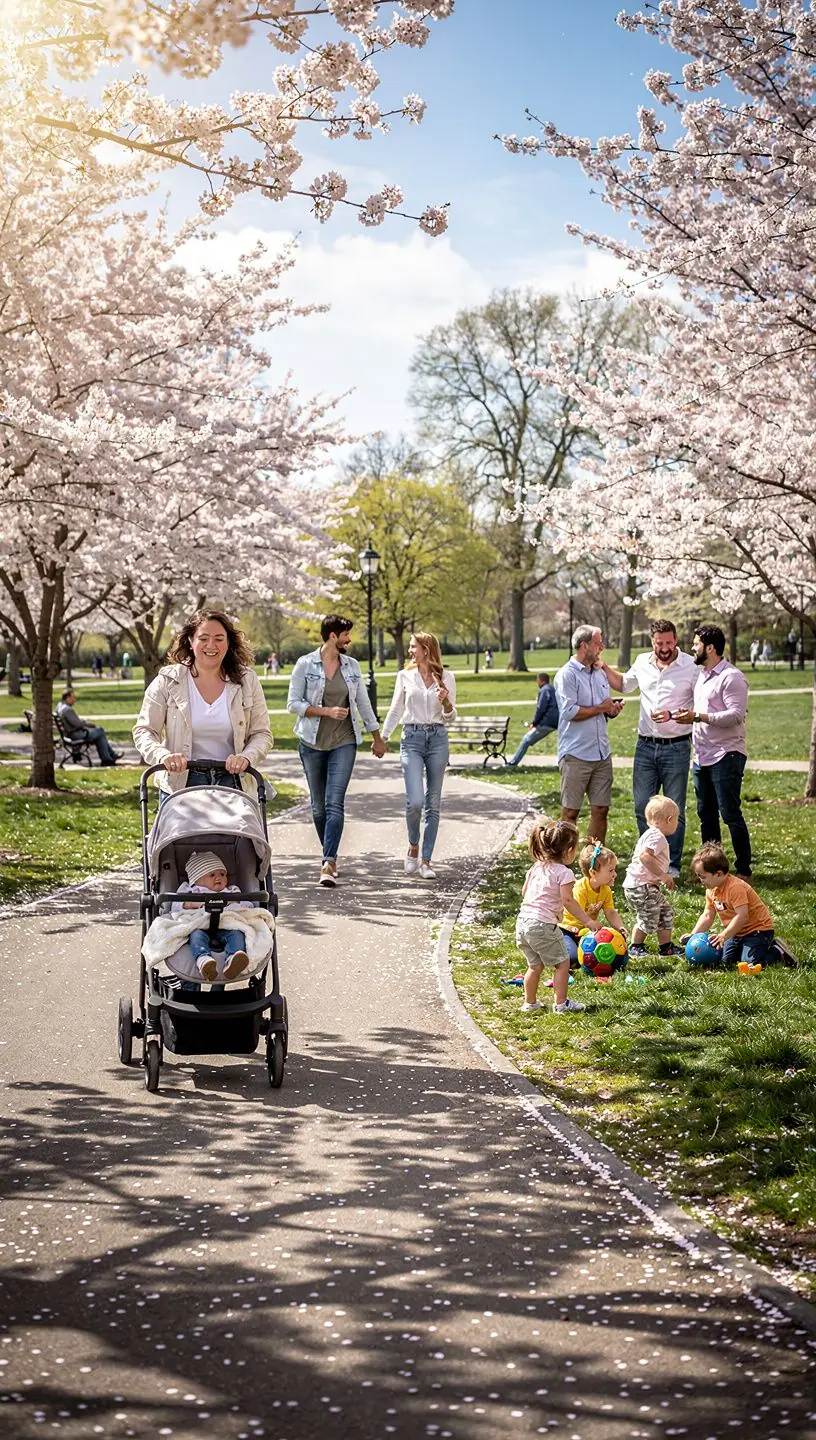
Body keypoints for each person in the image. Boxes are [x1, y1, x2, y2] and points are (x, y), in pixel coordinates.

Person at [286, 614, 386, 887]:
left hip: (344, 742)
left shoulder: (351, 666)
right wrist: (325, 711)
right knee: (318, 808)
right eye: (345, 635)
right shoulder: (305, 664)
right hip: (311, 743)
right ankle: (328, 854)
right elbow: (293, 704)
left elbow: (364, 704)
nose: (349, 639)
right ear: (333, 636)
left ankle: (328, 862)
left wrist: (377, 737)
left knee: (334, 803)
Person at [133, 609, 270, 798]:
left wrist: (246, 758)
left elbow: (261, 734)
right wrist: (163, 756)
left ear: (228, 642)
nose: (211, 645)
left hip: (234, 783)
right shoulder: (168, 681)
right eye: (203, 638)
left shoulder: (247, 680)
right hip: (180, 784)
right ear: (190, 641)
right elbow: (144, 731)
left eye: (219, 639)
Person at [603, 619, 696, 877]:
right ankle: (649, 859)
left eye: (668, 642)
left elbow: (699, 705)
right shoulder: (642, 661)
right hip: (645, 745)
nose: (664, 648)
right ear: (652, 642)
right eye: (659, 643)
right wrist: (602, 666)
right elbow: (623, 685)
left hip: (677, 747)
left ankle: (672, 864)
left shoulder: (690, 666)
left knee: (674, 808)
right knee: (642, 805)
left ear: (675, 640)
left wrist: (674, 715)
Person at [671, 623, 753, 879]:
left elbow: (736, 715)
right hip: (702, 756)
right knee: (706, 815)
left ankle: (743, 870)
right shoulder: (703, 676)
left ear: (710, 648)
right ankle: (712, 870)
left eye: (696, 644)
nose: (692, 648)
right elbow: (700, 713)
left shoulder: (731, 677)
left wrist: (699, 716)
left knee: (729, 813)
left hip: (726, 754)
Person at [381, 631, 457, 879]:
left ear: (426, 649)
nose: (411, 651)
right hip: (411, 738)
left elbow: (451, 717)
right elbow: (395, 709)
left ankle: (426, 861)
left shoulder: (447, 677)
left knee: (433, 803)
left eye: (414, 647)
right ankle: (413, 846)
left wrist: (445, 702)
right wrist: (382, 737)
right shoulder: (405, 676)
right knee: (415, 801)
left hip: (437, 739)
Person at [515, 817, 595, 1015]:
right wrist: (588, 920)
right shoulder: (564, 873)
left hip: (523, 923)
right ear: (569, 851)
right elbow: (568, 900)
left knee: (535, 965)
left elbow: (525, 892)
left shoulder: (536, 867)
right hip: (543, 925)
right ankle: (561, 1004)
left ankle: (530, 1003)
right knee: (562, 963)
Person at [553, 625, 623, 843]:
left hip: (602, 754)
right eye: (597, 643)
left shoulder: (599, 673)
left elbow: (603, 707)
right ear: (584, 646)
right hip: (576, 754)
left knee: (601, 810)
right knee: (570, 813)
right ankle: (562, 862)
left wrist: (611, 710)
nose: (602, 646)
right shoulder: (567, 675)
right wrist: (601, 708)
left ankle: (594, 861)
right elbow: (569, 711)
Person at [689, 843, 775, 968]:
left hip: (757, 931)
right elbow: (708, 915)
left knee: (749, 964)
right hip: (736, 932)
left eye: (703, 877)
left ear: (718, 874)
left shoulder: (735, 887)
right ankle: (744, 948)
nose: (701, 880)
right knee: (725, 962)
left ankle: (777, 951)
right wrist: (693, 936)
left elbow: (742, 916)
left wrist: (723, 935)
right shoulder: (711, 889)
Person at [171, 851, 251, 983]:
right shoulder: (191, 891)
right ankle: (204, 960)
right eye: (212, 875)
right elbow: (175, 907)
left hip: (226, 925)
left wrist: (235, 902)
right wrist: (190, 903)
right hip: (200, 925)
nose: (219, 877)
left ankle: (233, 960)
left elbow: (248, 906)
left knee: (237, 934)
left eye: (222, 874)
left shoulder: (232, 891)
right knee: (196, 936)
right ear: (196, 880)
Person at [622, 794, 684, 958]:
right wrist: (663, 876)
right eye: (677, 819)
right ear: (669, 819)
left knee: (665, 913)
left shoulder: (651, 834)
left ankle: (666, 947)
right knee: (648, 917)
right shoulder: (657, 836)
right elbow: (645, 857)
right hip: (642, 886)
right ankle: (635, 947)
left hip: (643, 885)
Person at [559, 839, 627, 965]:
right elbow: (576, 913)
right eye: (611, 870)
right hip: (568, 930)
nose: (615, 874)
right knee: (573, 960)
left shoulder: (605, 890)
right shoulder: (581, 889)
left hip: (587, 931)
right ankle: (553, 949)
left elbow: (610, 912)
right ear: (593, 873)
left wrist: (619, 927)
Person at [56, 689, 123, 766]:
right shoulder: (67, 709)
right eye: (73, 697)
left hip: (68, 734)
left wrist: (84, 722)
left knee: (99, 735)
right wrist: (88, 724)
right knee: (100, 731)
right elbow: (78, 724)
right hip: (75, 734)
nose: (75, 700)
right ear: (67, 698)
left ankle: (108, 758)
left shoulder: (59, 706)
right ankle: (108, 758)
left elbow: (74, 721)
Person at [507, 671, 559, 767]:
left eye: (537, 680)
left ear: (540, 680)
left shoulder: (543, 690)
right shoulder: (552, 689)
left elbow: (541, 708)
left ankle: (513, 763)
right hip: (557, 722)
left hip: (546, 722)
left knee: (526, 740)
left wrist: (534, 723)